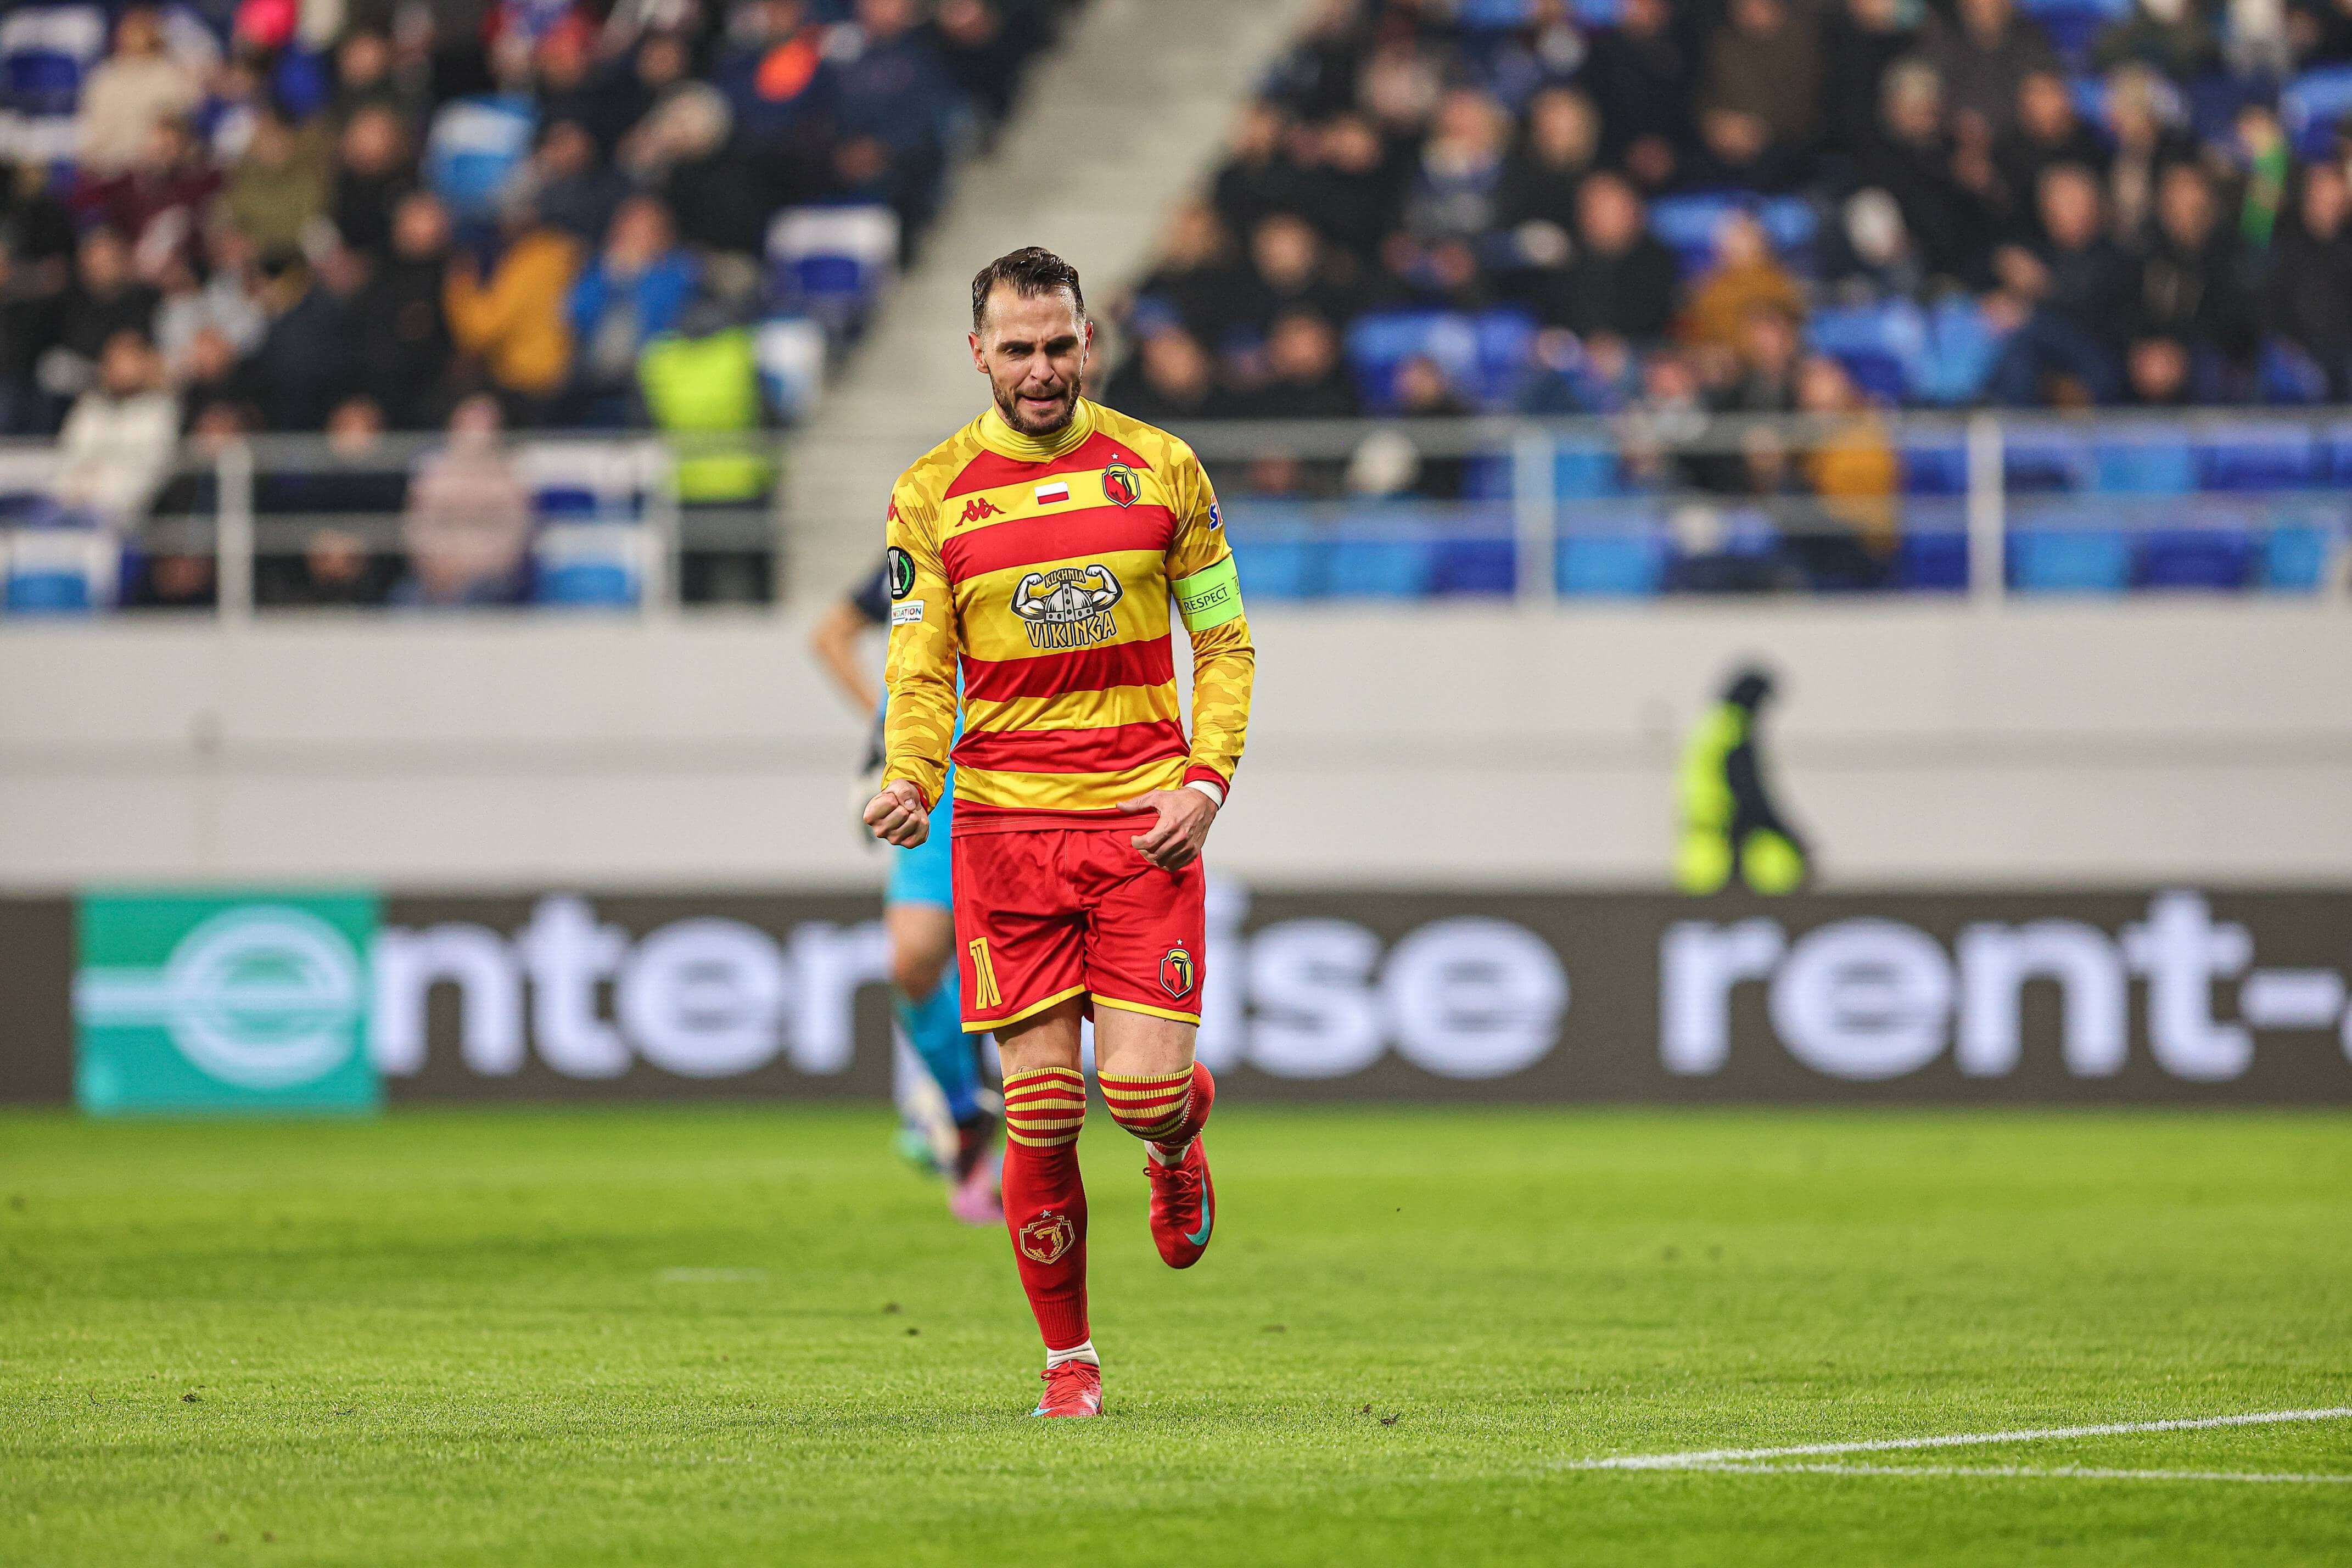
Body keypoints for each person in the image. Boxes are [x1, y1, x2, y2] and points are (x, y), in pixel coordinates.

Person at [863, 248, 1255, 1419]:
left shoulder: (1164, 468)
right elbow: (921, 662)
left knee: (1136, 1097)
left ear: (1091, 341)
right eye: (1019, 349)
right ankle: (1068, 1364)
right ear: (977, 352)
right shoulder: (930, 492)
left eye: (1060, 345)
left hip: (1143, 823)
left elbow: (1225, 642)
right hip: (1002, 833)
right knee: (1038, 1108)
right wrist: (909, 773)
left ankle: (1177, 1136)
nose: (1042, 370)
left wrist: (1208, 781)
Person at [809, 564, 1002, 1225]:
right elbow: (831, 635)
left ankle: (997, 1150)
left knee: (1011, 969)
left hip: (1018, 763)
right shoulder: (913, 554)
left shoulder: (1024, 530)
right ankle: (959, 1111)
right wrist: (887, 726)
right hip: (936, 775)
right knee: (914, 960)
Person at [1676, 666, 1811, 893]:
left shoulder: (1709, 728)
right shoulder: (1733, 732)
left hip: (1700, 850)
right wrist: (1786, 835)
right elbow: (1749, 794)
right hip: (1724, 850)